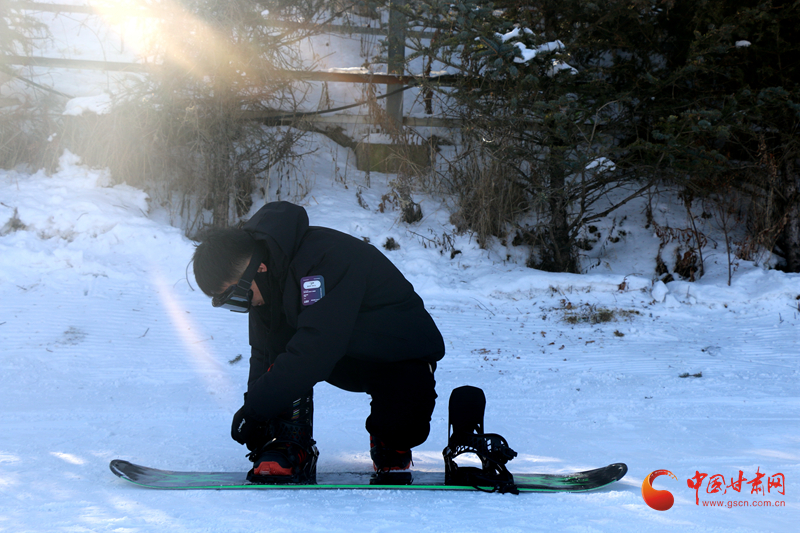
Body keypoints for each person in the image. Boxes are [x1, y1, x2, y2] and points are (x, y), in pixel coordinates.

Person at [192, 201, 445, 482]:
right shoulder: (264, 286)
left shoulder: (325, 258)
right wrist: (258, 417)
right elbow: (264, 353)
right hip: (341, 351)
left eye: (238, 296)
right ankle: (288, 442)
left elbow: (315, 351)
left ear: (258, 267)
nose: (244, 305)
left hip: (397, 351)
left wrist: (254, 411)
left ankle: (389, 439)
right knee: (284, 362)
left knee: (402, 428)